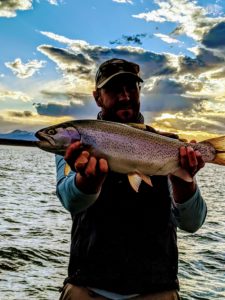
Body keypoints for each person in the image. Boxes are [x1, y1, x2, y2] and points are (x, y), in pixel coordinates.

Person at [56, 58, 207, 300]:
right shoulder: (77, 145)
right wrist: (88, 183)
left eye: (131, 88)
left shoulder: (168, 145)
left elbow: (192, 223)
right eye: (114, 89)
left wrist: (183, 182)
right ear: (97, 97)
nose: (124, 96)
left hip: (157, 291)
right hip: (87, 289)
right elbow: (70, 201)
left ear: (139, 91)